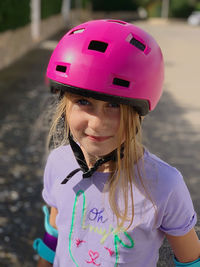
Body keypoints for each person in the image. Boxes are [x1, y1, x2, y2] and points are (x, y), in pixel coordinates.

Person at [33, 19, 200, 267]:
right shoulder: (59, 163)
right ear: (64, 106)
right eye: (83, 101)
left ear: (136, 112)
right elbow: (54, 231)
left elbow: (190, 261)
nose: (98, 123)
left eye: (113, 106)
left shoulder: (165, 185)